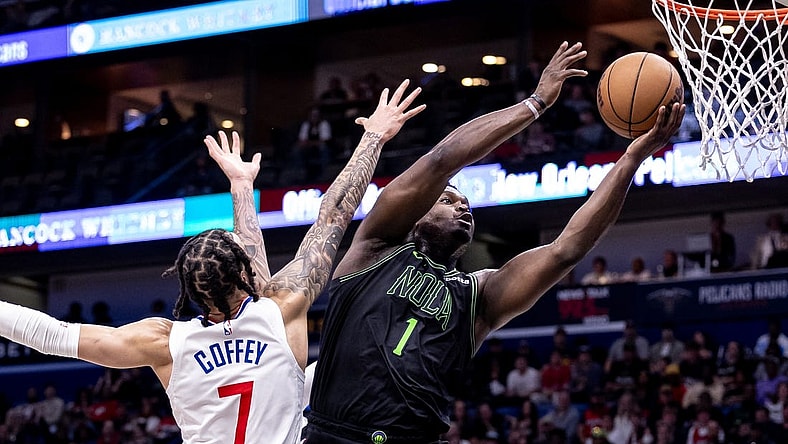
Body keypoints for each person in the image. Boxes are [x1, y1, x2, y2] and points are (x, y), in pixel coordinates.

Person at [0, 80, 426, 444]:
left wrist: (242, 186)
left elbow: (52, 335)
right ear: (245, 273)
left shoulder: (163, 342)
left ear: (188, 284)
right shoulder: (283, 307)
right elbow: (333, 213)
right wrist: (372, 138)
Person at [304, 41, 685, 442]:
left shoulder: (478, 296)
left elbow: (565, 250)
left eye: (467, 203)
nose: (463, 207)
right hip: (334, 434)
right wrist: (536, 103)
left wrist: (631, 158)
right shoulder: (376, 248)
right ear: (416, 215)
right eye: (448, 199)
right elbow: (442, 160)